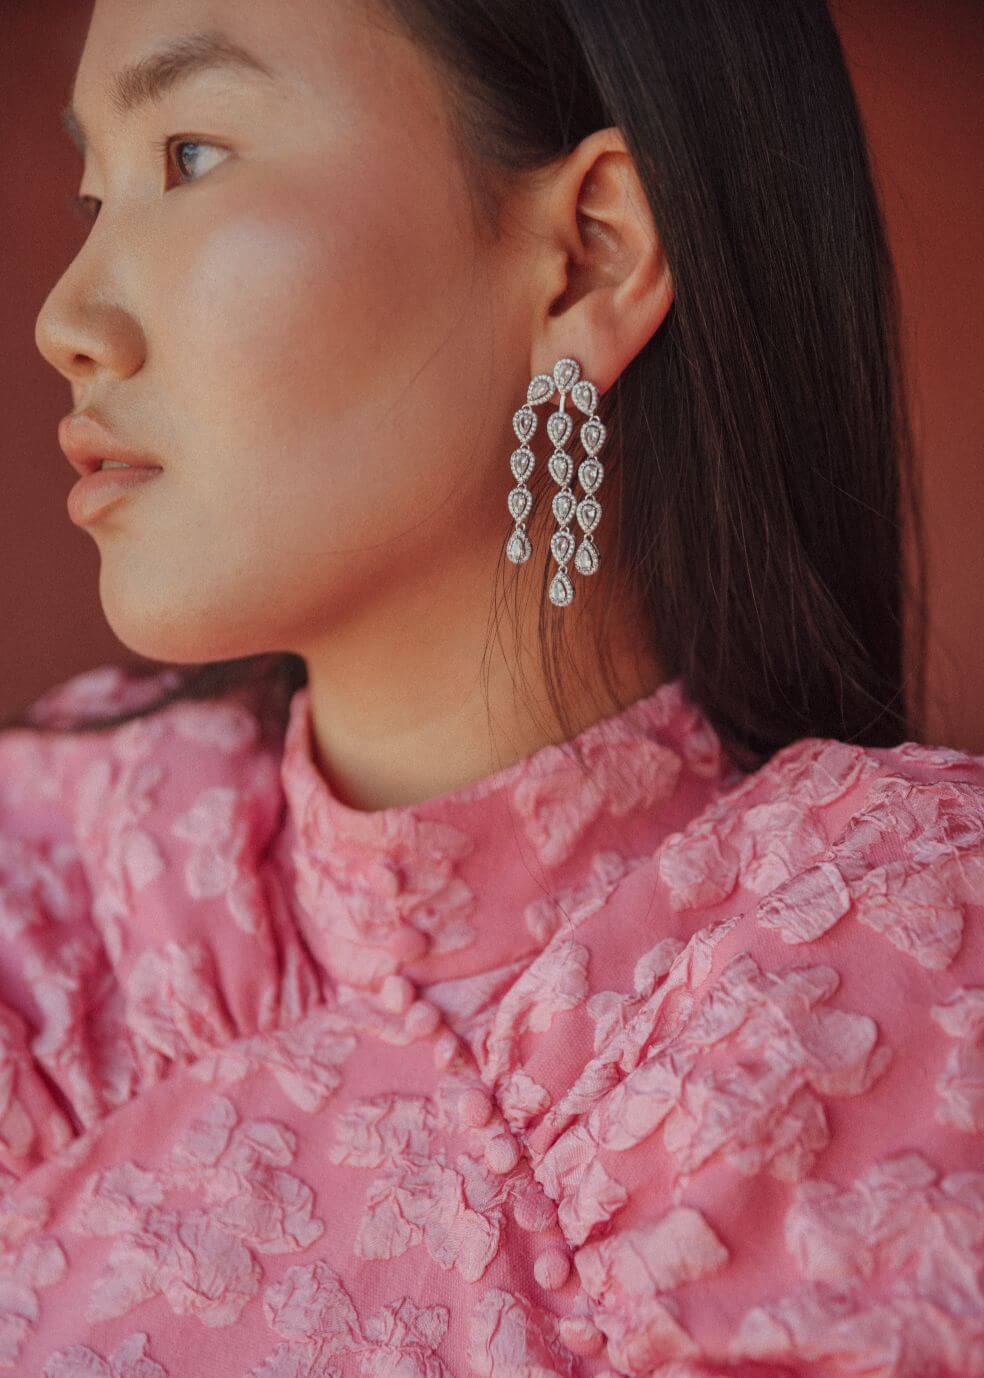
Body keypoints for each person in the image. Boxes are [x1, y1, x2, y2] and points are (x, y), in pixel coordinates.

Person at [1, 0, 981, 1374]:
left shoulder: (885, 985)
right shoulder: (57, 902)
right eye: (96, 192)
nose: (68, 321)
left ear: (589, 254)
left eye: (189, 158)